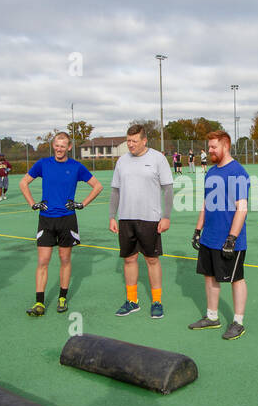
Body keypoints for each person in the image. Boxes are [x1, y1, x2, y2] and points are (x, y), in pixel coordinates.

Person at [20, 133, 103, 316]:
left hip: (67, 219)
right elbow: (23, 182)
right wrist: (33, 204)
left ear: (69, 147)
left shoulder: (76, 167)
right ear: (53, 145)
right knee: (43, 261)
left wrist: (82, 204)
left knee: (65, 260)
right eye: (57, 145)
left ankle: (62, 298)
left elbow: (97, 186)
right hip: (46, 219)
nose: (59, 149)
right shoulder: (43, 164)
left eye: (63, 146)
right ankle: (39, 303)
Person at [109, 124, 174, 318]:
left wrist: (167, 217)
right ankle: (132, 301)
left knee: (152, 260)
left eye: (134, 141)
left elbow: (168, 189)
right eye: (128, 141)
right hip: (126, 219)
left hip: (150, 219)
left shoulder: (157, 159)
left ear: (144, 141)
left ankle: (156, 301)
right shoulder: (122, 161)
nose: (130, 145)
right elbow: (115, 191)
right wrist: (112, 216)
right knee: (129, 259)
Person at [189, 131, 248, 340]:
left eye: (214, 147)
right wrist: (198, 230)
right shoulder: (211, 172)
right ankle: (212, 317)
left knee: (236, 279)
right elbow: (206, 204)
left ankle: (238, 322)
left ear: (226, 146)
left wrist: (231, 238)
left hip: (230, 239)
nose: (210, 150)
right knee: (210, 275)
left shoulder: (237, 172)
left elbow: (242, 208)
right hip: (209, 237)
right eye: (209, 147)